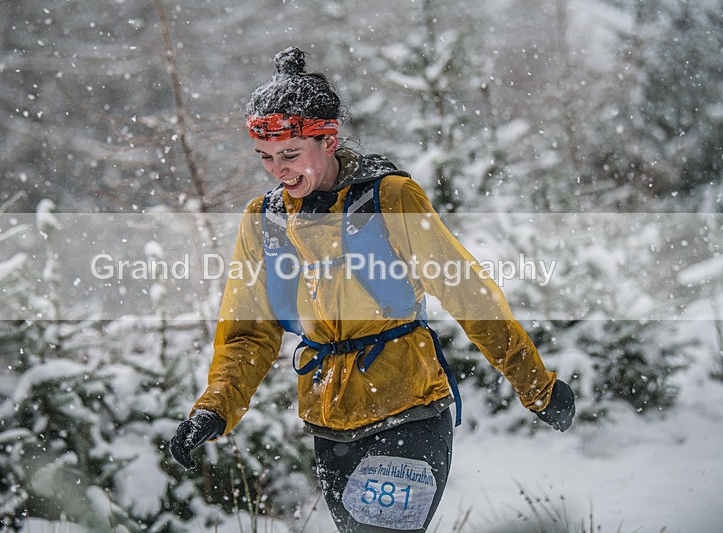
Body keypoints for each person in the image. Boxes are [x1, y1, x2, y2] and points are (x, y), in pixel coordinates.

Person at [170, 47, 575, 532]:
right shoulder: (264, 222)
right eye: (266, 158)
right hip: (329, 422)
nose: (278, 170)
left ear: (328, 139)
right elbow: (248, 333)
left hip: (407, 409)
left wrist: (536, 386)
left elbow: (468, 293)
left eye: (290, 154)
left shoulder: (389, 198)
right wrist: (215, 407)